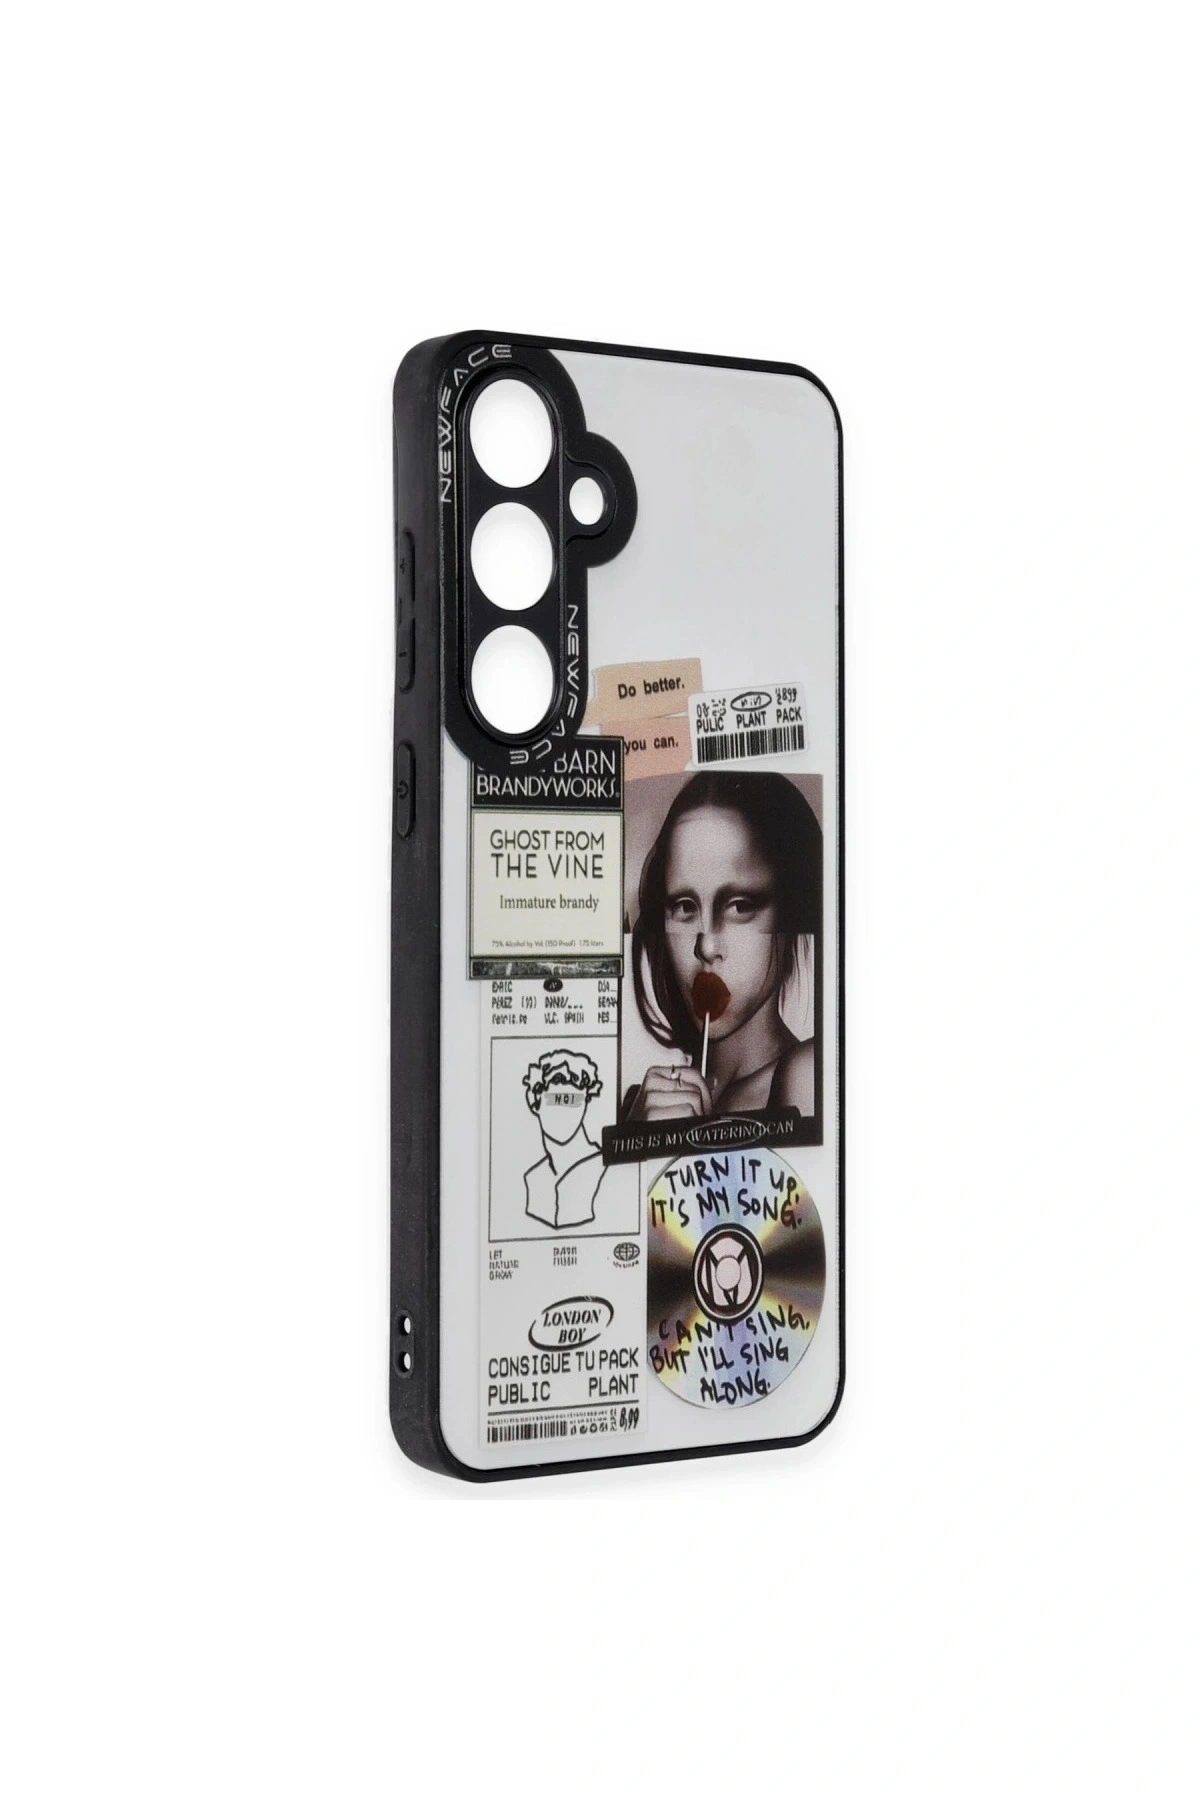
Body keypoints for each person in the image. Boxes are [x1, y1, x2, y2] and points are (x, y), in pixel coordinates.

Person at [624, 773, 820, 1122]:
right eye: (684, 906)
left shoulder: (807, 1075)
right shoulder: (640, 1104)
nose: (706, 945)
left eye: (740, 906)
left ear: (791, 912)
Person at [522, 1048, 607, 1228]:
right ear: (534, 1103)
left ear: (586, 1101)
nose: (564, 1111)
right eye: (554, 1100)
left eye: (573, 1100)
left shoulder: (600, 1166)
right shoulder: (534, 1178)